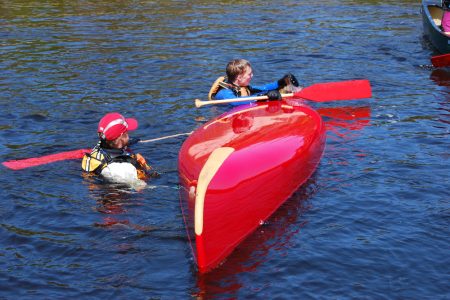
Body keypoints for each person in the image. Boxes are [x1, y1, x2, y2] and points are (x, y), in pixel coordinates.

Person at [81, 112, 157, 185]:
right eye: (127, 133)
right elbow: (142, 188)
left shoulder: (98, 148)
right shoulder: (123, 169)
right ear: (121, 139)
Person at [208, 59, 301, 106]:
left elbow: (263, 88)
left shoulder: (243, 87)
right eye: (249, 74)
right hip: (224, 116)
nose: (252, 76)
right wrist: (260, 97)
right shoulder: (224, 93)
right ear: (239, 77)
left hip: (242, 109)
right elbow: (235, 103)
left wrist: (282, 82)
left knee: (283, 90)